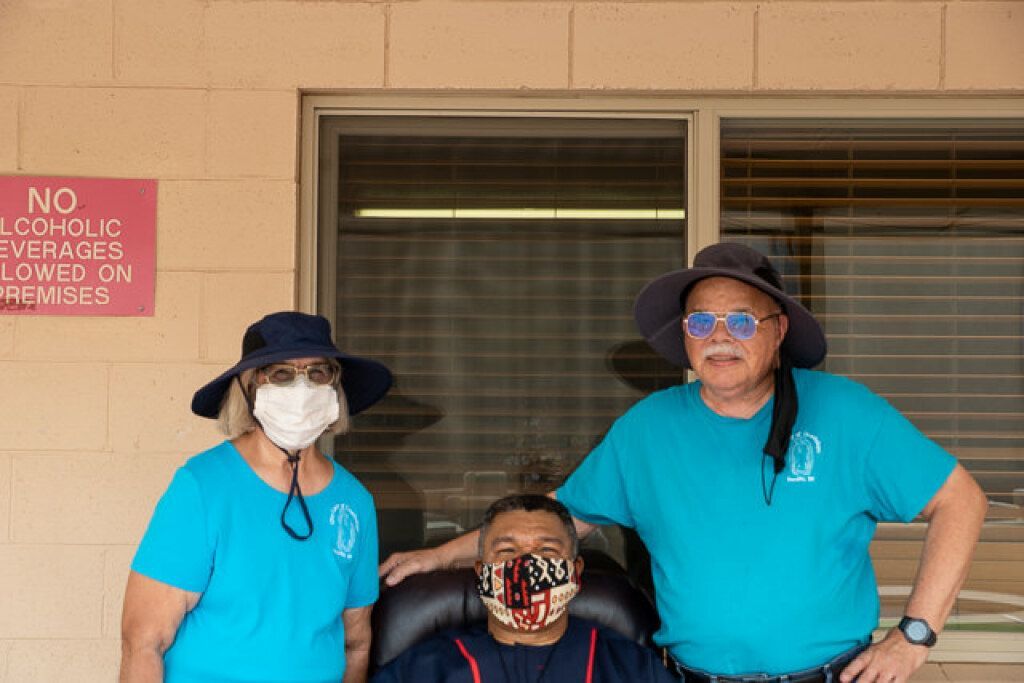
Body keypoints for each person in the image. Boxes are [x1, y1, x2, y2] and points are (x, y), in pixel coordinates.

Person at [379, 243, 989, 683]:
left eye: (742, 320)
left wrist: (914, 638)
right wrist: (438, 557)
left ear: (778, 333)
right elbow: (554, 524)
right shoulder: (648, 428)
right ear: (686, 337)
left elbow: (961, 500)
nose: (720, 336)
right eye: (703, 321)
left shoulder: (845, 412)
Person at [121, 311, 392, 683]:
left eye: (318, 373)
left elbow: (356, 642)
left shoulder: (354, 501)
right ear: (249, 388)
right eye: (280, 374)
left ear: (335, 386)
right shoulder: (202, 487)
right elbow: (143, 641)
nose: (302, 389)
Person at [372, 494, 677, 683]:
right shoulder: (426, 669)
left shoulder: (630, 667)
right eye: (506, 552)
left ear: (575, 570)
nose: (526, 565)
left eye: (546, 551)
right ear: (482, 571)